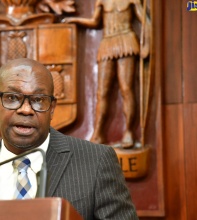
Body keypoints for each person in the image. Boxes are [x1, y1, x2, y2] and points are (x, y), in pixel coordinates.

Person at [0, 58, 138, 219]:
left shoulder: (96, 163)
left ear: (52, 108)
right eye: (12, 98)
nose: (26, 109)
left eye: (38, 100)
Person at [62, 0, 150, 148]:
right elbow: (95, 22)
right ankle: (98, 133)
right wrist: (75, 20)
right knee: (102, 92)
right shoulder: (101, 1)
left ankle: (128, 132)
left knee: (126, 89)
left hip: (126, 40)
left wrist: (147, 45)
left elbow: (145, 21)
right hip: (107, 43)